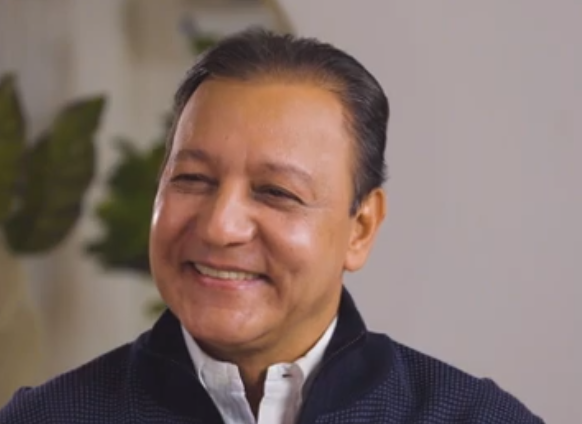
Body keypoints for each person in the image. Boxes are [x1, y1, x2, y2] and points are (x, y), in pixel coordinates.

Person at [0, 29, 543, 424]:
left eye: (276, 192)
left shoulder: (471, 416)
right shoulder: (50, 416)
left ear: (360, 228)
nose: (220, 227)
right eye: (193, 179)